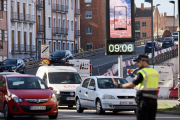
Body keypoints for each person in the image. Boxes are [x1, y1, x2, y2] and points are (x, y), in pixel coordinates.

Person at [112, 54, 159, 120]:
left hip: (144, 102)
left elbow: (133, 84)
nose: (137, 64)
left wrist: (119, 85)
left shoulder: (142, 72)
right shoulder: (155, 72)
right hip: (154, 102)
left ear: (144, 61)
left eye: (138, 62)